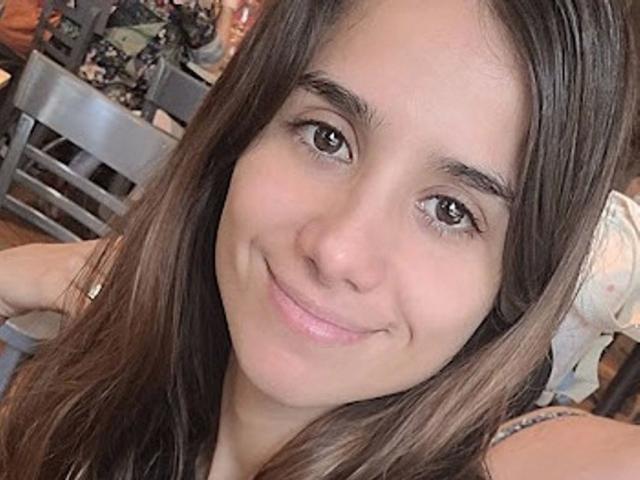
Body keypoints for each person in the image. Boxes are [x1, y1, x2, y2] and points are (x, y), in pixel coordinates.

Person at [0, 1, 637, 479]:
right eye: (327, 137)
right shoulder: (97, 400)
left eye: (450, 211)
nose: (338, 251)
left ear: (514, 286)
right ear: (243, 132)